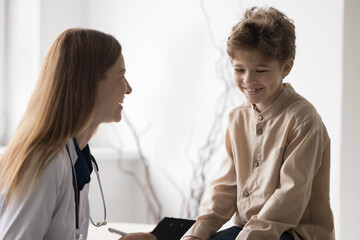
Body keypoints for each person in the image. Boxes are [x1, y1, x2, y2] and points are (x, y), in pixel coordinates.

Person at [182, 6, 335, 240]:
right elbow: (225, 187)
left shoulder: (303, 120)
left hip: (293, 233)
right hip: (246, 229)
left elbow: (288, 198)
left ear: (286, 68)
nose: (248, 80)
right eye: (239, 69)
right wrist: (198, 232)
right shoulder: (238, 118)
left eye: (260, 70)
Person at [0, 28, 156, 240]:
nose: (128, 89)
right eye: (121, 75)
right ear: (89, 82)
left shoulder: (74, 156)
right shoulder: (45, 162)